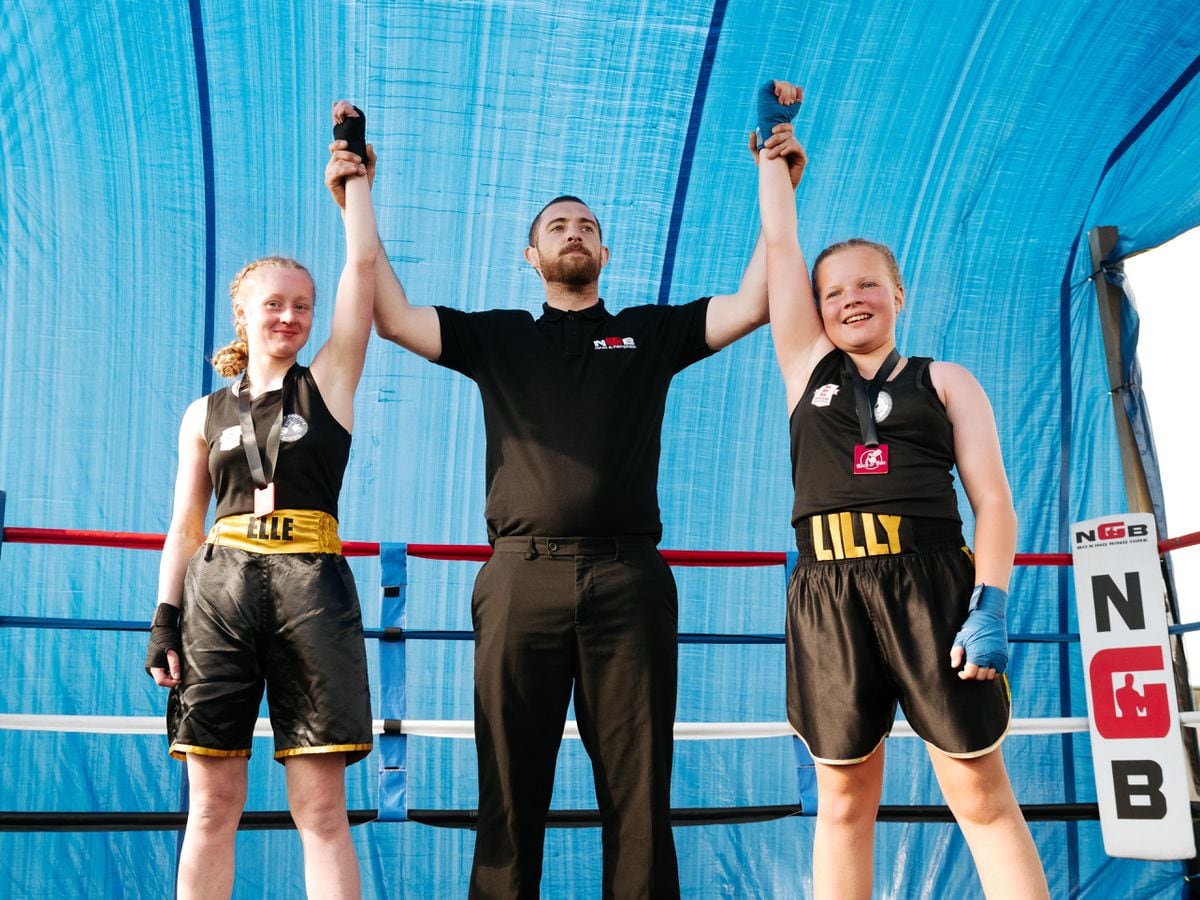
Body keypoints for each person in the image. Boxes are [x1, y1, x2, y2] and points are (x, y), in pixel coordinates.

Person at [324, 131, 806, 898]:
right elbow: (391, 314)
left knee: (639, 789)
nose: (573, 233)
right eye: (557, 226)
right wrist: (356, 191)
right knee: (510, 790)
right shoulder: (499, 336)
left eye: (586, 226)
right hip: (520, 580)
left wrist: (774, 174)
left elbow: (756, 302)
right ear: (530, 257)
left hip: (630, 580)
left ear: (605, 254)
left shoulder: (649, 333)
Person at [754, 80, 1049, 899]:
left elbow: (993, 501)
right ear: (817, 308)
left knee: (978, 789)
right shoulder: (803, 370)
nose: (851, 297)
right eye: (834, 290)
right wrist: (774, 151)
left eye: (867, 284)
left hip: (935, 589)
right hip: (826, 589)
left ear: (898, 294)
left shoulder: (946, 379)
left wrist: (988, 602)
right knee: (842, 798)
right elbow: (782, 253)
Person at [145, 101, 378, 899]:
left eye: (302, 306)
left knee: (321, 806)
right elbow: (184, 524)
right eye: (274, 303)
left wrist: (353, 187)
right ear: (243, 311)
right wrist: (164, 618)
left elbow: (364, 280)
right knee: (212, 804)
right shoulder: (201, 413)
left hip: (312, 586)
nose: (290, 316)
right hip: (221, 588)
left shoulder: (332, 383)